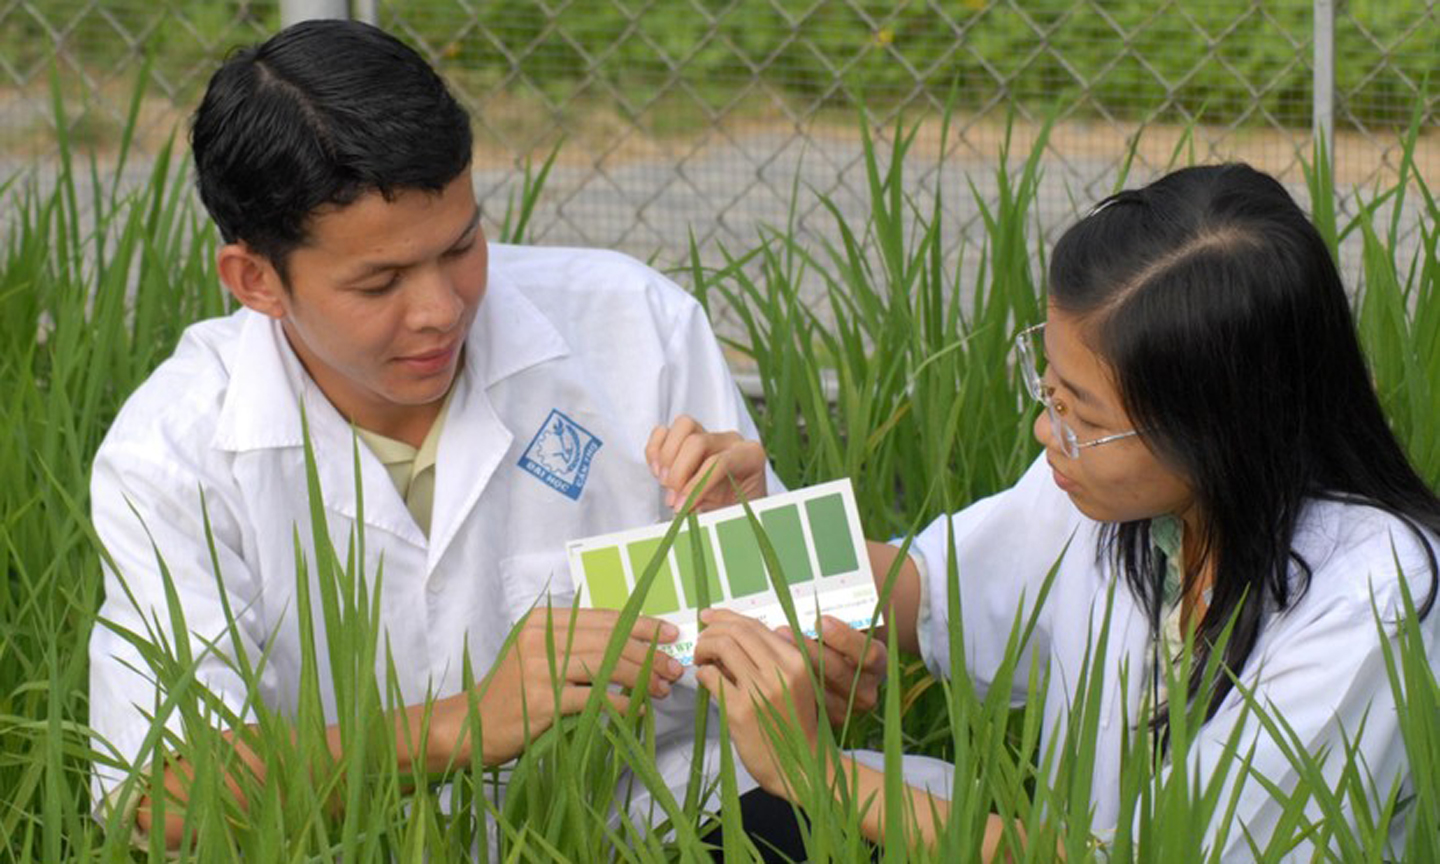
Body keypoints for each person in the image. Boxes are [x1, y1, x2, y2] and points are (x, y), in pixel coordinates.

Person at [85, 19, 881, 850]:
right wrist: (461, 725)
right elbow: (165, 795)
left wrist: (812, 635)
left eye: (461, 245)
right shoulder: (173, 452)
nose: (441, 310)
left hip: (659, 819)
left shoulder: (633, 326)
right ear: (255, 280)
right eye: (379, 281)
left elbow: (833, 688)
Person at [674, 164, 1440, 859]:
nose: (1048, 431)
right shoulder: (1115, 493)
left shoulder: (1376, 596)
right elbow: (925, 592)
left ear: (1221, 429)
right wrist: (756, 526)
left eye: (1082, 413)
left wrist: (818, 774)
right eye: (1050, 387)